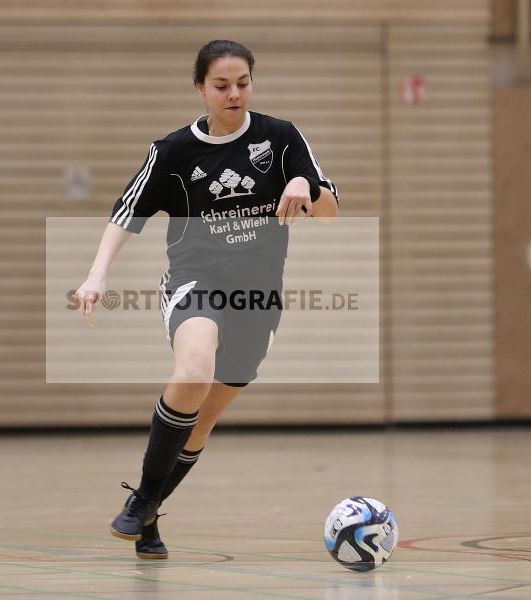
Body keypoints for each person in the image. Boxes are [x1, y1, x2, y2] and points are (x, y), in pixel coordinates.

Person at [75, 39, 338, 559]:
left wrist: (306, 184)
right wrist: (95, 275)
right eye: (221, 85)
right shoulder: (173, 151)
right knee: (194, 372)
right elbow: (126, 212)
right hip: (195, 280)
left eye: (243, 83)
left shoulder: (282, 138)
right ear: (201, 88)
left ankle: (147, 514)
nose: (234, 93)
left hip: (259, 298)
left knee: (205, 418)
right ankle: (144, 499)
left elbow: (329, 212)